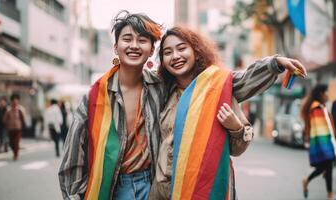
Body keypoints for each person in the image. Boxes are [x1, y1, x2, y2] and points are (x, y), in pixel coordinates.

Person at [149, 26, 307, 199]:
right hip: (164, 191)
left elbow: (244, 79)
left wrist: (236, 127)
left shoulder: (218, 88)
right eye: (168, 52)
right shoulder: (162, 93)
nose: (176, 56)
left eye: (181, 48)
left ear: (196, 51)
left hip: (206, 189)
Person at [58, 10, 165, 200]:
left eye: (142, 40)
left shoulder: (161, 88)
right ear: (116, 47)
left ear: (151, 49)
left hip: (154, 187)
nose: (134, 45)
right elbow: (73, 155)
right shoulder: (95, 95)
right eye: (127, 38)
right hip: (111, 187)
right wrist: (77, 194)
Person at [301, 84, 336, 200]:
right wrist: (326, 147)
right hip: (322, 143)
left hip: (324, 142)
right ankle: (330, 195)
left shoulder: (321, 106)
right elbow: (319, 129)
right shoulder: (316, 108)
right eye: (326, 92)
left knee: (324, 168)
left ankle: (307, 180)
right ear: (321, 94)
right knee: (327, 166)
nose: (328, 95)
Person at [3, 94, 26, 161]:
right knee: (11, 143)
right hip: (10, 129)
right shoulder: (8, 110)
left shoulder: (21, 109)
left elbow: (23, 118)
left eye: (16, 101)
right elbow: (4, 119)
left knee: (16, 142)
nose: (15, 102)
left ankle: (16, 155)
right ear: (12, 101)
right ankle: (14, 152)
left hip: (18, 128)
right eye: (14, 101)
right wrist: (7, 123)